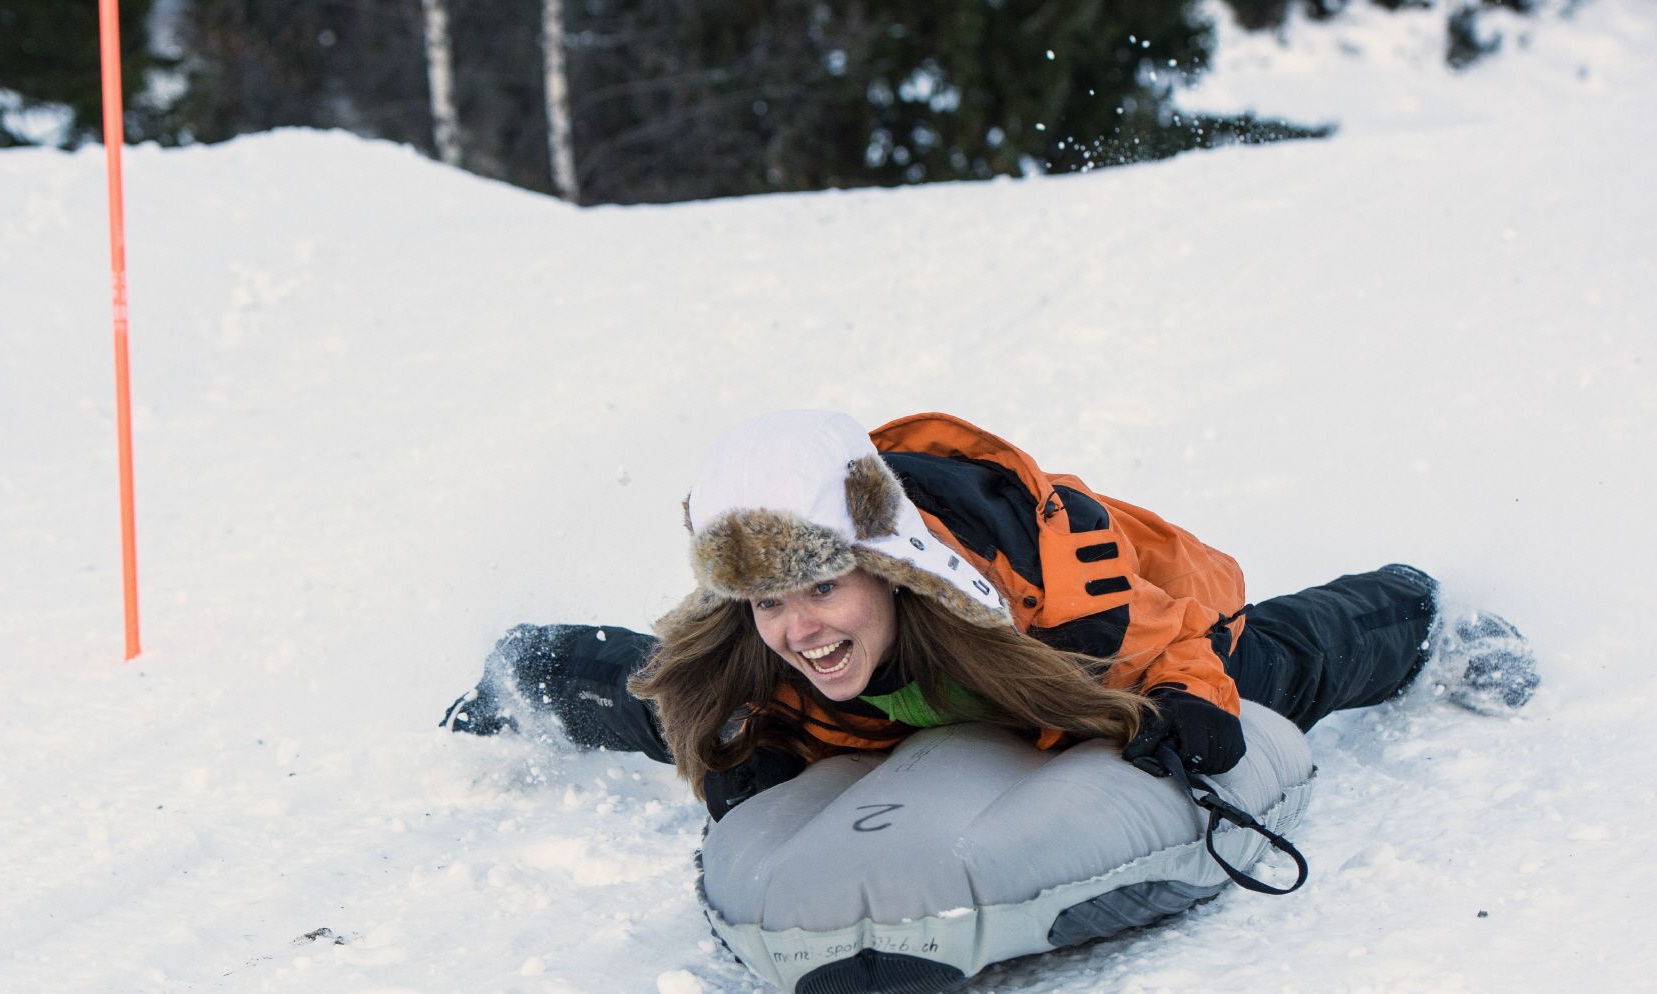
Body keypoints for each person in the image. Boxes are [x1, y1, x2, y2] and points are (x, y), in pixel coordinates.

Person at [443, 410, 1539, 821]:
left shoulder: (1059, 599)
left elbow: (1171, 649)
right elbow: (680, 691)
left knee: (1273, 675)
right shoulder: (770, 635)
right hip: (909, 680)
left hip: (1137, 612)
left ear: (889, 570)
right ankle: (522, 666)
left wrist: (1184, 711)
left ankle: (1425, 609)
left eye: (823, 586)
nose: (800, 623)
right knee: (679, 701)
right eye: (770, 599)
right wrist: (741, 748)